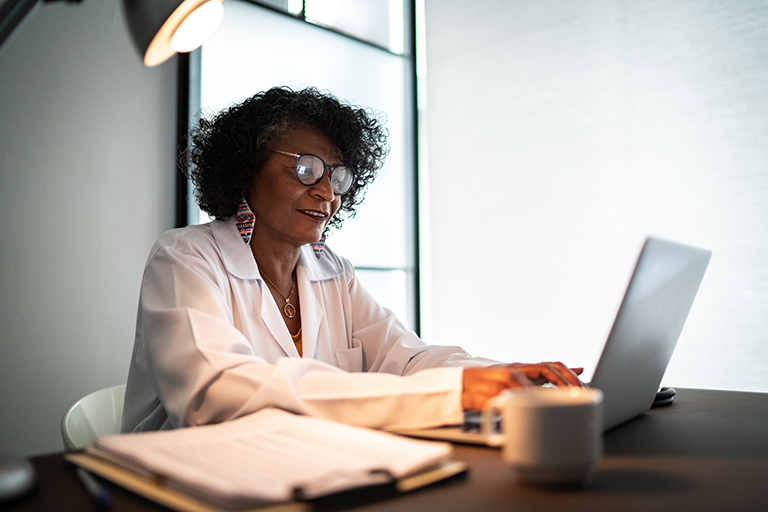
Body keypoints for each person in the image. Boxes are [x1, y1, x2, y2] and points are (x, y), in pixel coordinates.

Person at [122, 86, 582, 433]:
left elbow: (405, 358)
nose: (327, 193)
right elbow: (215, 393)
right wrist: (446, 395)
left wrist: (498, 375)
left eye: (338, 177)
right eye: (306, 169)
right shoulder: (185, 259)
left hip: (305, 466)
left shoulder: (331, 271)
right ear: (246, 169)